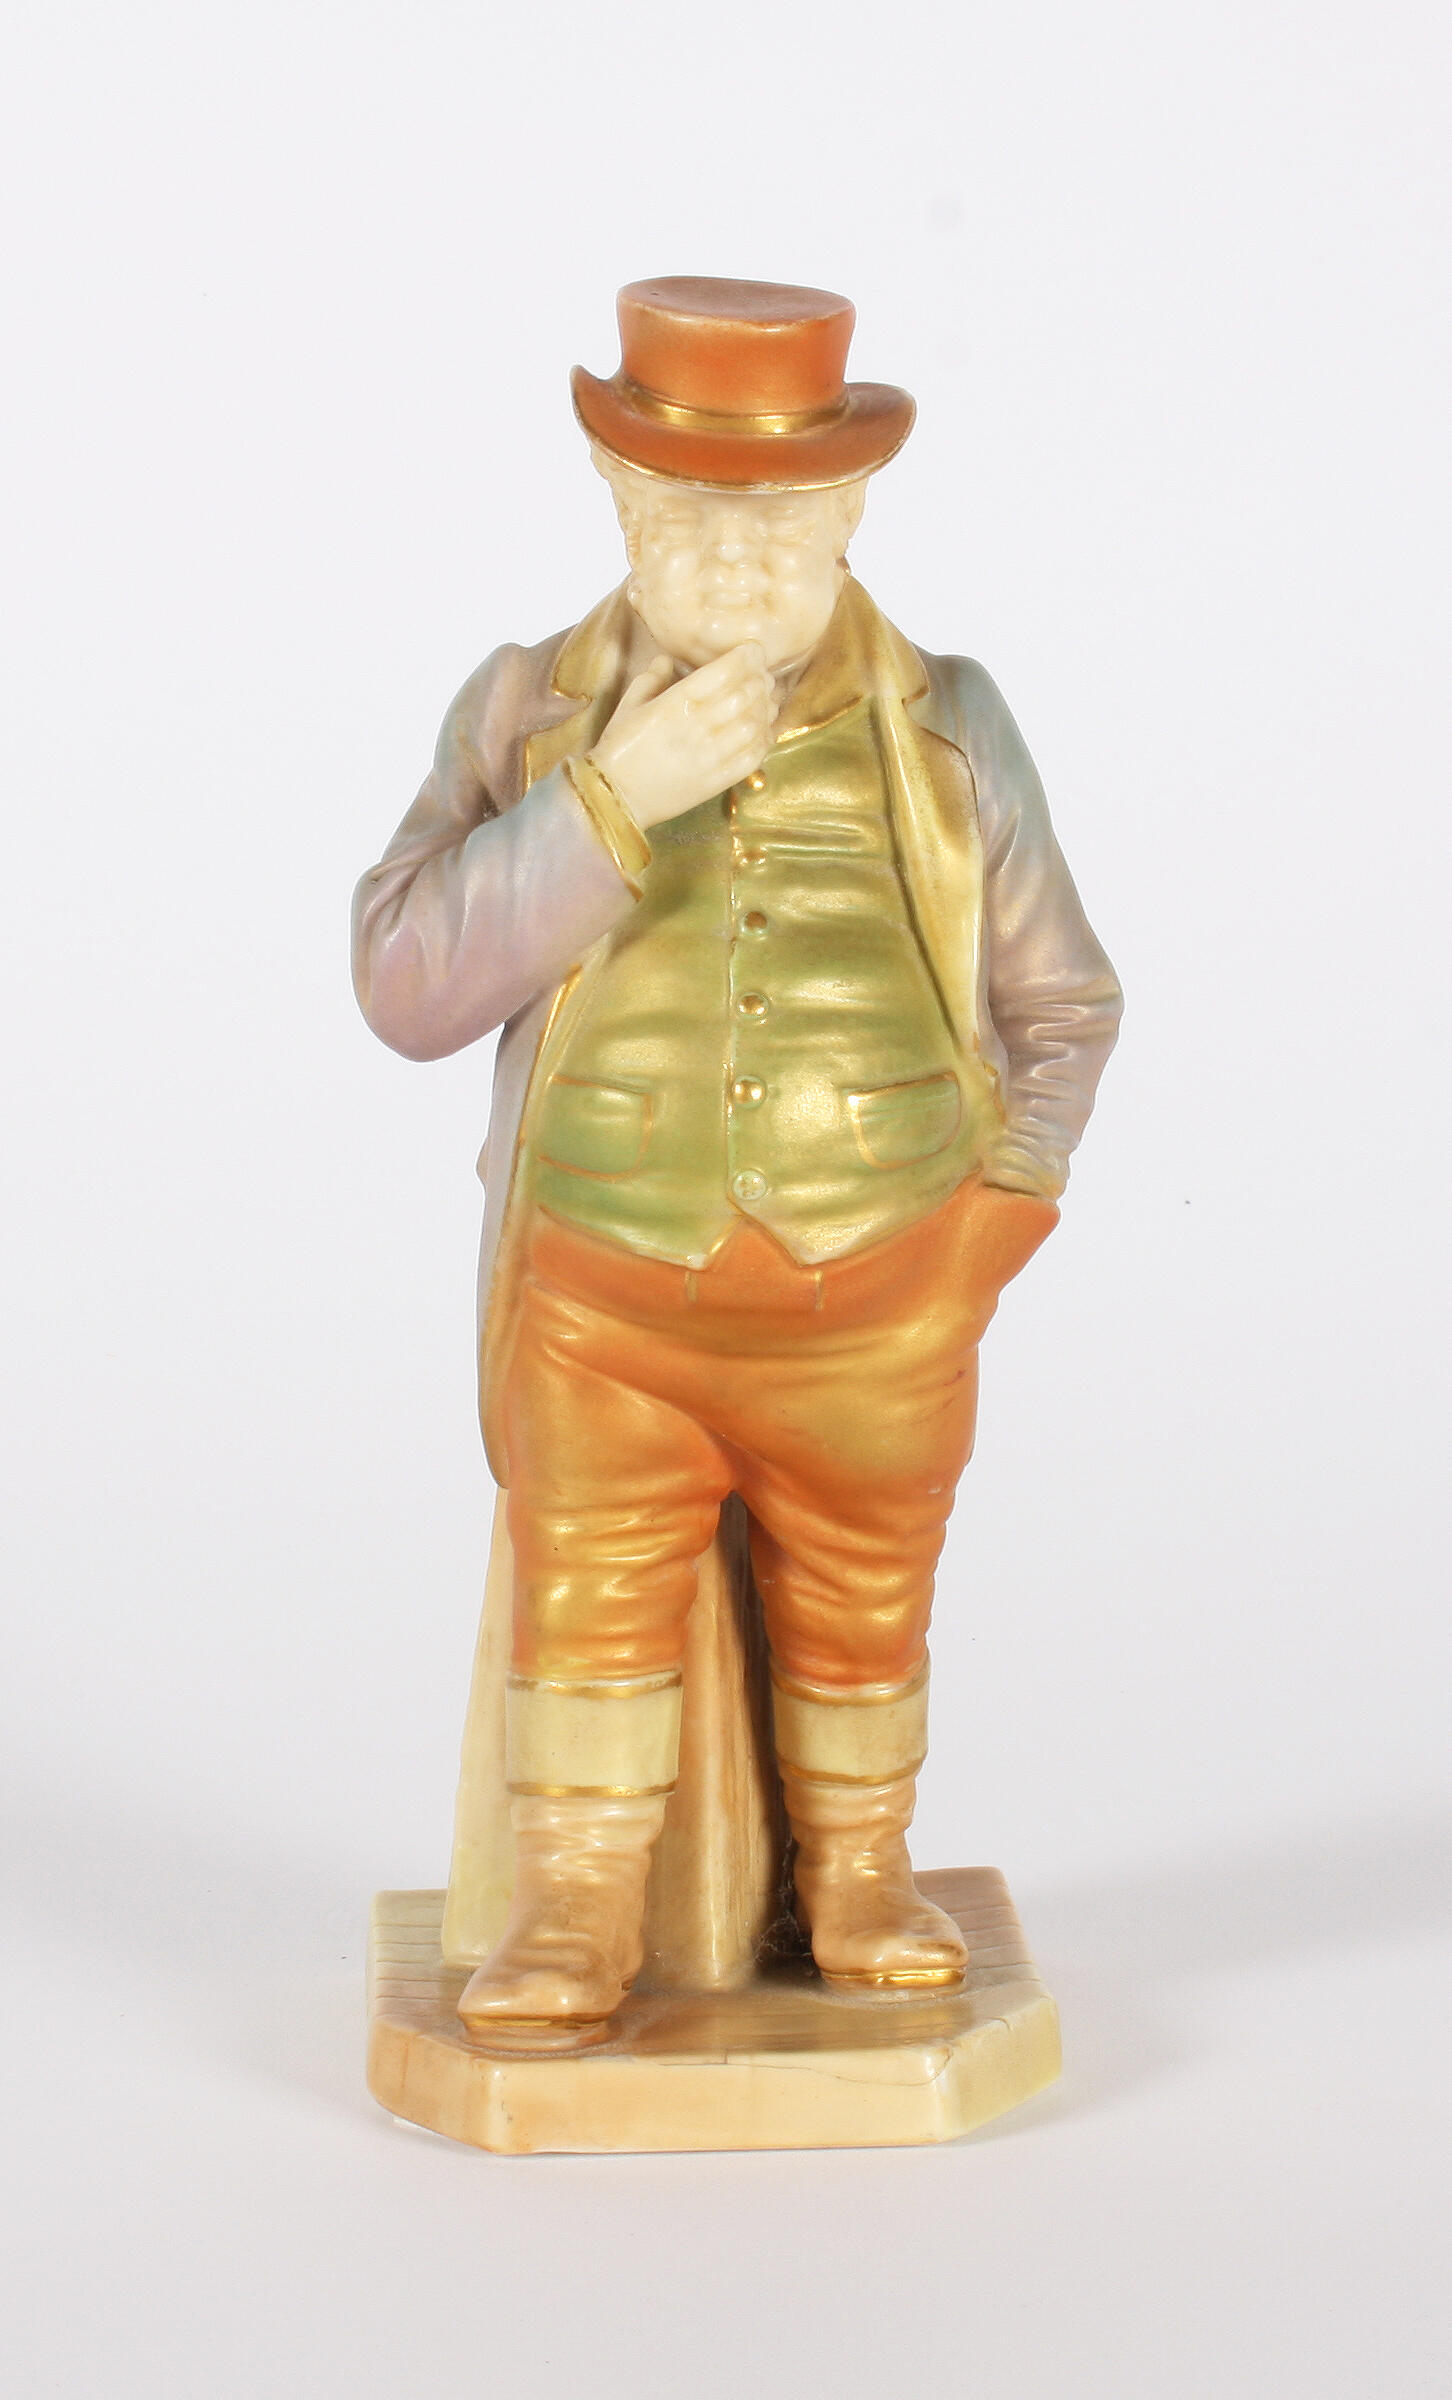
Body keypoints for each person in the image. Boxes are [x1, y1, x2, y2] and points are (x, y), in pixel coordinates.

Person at [352, 277, 1122, 2045]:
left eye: (778, 523)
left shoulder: (948, 724)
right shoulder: (531, 709)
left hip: (882, 1298)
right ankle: (575, 1902)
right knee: (590, 1588)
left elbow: (1064, 1000)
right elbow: (403, 983)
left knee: (867, 1597)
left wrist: (993, 1224)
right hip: (601, 1302)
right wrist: (609, 798)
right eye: (690, 516)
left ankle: (860, 1871)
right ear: (620, 507)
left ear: (852, 517)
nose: (734, 561)